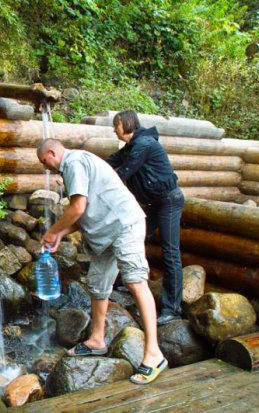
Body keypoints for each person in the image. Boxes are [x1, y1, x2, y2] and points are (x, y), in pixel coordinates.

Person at [37, 138, 166, 385]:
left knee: (136, 282)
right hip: (104, 233)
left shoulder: (74, 162)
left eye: (45, 162)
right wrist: (61, 234)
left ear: (53, 152)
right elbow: (82, 213)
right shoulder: (76, 164)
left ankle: (154, 354)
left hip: (123, 225)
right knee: (98, 286)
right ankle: (97, 339)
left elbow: (77, 207)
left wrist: (52, 231)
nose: (46, 168)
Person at [107, 110, 184, 325]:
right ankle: (130, 281)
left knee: (170, 252)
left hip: (168, 201)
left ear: (126, 123)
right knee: (133, 239)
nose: (114, 130)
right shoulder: (131, 147)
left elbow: (123, 173)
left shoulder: (144, 145)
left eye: (116, 125)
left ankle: (172, 309)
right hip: (153, 204)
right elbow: (109, 163)